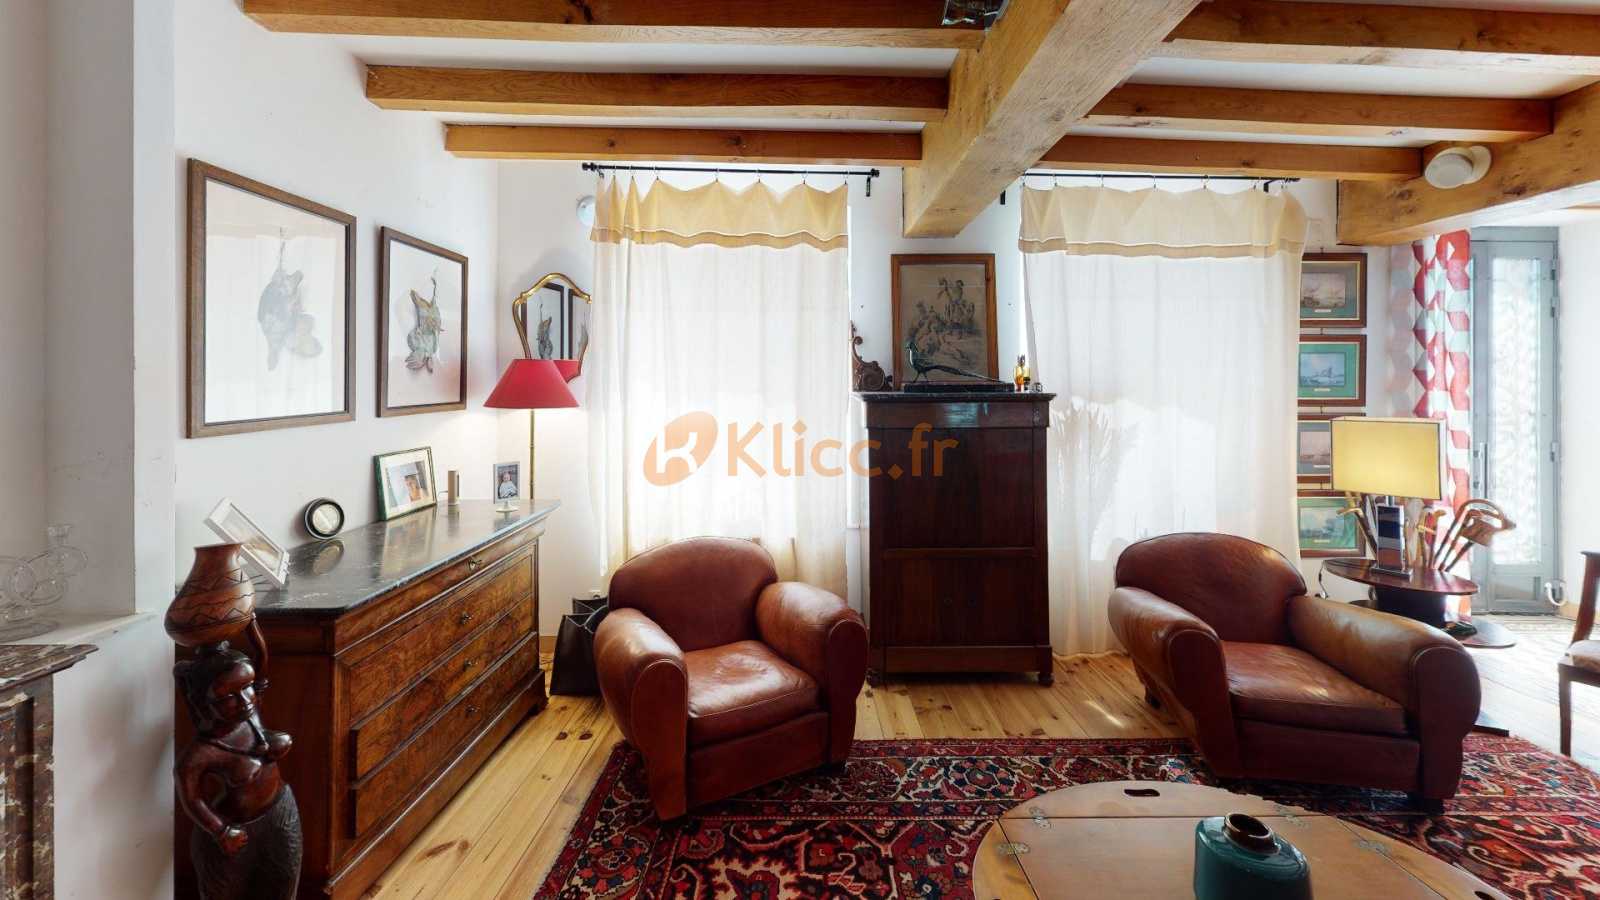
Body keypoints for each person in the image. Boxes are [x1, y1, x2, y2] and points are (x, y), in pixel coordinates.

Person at [175, 644, 301, 899]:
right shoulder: (201, 753)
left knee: (284, 884)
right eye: (227, 697)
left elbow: (262, 658)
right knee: (226, 892)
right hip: (234, 830)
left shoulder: (250, 717)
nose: (244, 701)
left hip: (281, 810)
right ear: (201, 701)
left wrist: (250, 624)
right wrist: (221, 830)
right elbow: (192, 799)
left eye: (247, 686)